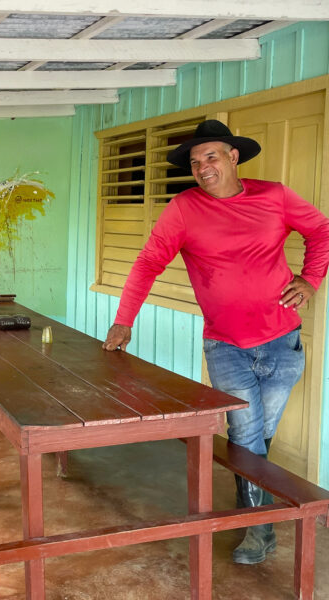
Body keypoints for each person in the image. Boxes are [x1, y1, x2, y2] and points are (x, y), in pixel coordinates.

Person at [102, 119, 329, 565]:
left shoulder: (275, 196)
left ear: (233, 157)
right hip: (225, 346)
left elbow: (321, 230)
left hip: (283, 343)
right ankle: (258, 532)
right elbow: (149, 262)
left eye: (210, 156)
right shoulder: (184, 208)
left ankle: (253, 517)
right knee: (246, 439)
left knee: (259, 437)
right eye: (194, 161)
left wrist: (311, 279)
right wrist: (123, 321)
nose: (202, 167)